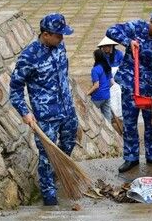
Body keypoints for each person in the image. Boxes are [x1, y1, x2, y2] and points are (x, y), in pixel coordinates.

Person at [9, 13, 77, 206]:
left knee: (68, 146)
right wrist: (25, 111)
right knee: (47, 156)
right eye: (58, 35)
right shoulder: (28, 57)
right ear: (46, 35)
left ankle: (59, 174)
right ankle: (49, 195)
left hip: (67, 110)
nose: (62, 38)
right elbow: (14, 89)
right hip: (46, 116)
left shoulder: (59, 47)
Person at [106, 10, 152, 173]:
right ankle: (131, 157)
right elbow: (111, 31)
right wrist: (128, 41)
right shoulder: (135, 27)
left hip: (149, 89)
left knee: (151, 123)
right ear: (151, 22)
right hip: (130, 85)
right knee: (129, 123)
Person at [97, 36, 124, 123]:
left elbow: (123, 68)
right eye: (103, 47)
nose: (105, 48)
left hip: (118, 76)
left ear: (111, 46)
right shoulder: (102, 57)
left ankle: (120, 112)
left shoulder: (119, 54)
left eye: (107, 46)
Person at [87, 49, 113, 122]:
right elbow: (111, 82)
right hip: (107, 95)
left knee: (90, 114)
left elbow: (96, 85)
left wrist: (87, 93)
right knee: (108, 118)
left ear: (96, 57)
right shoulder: (107, 68)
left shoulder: (95, 70)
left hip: (98, 97)